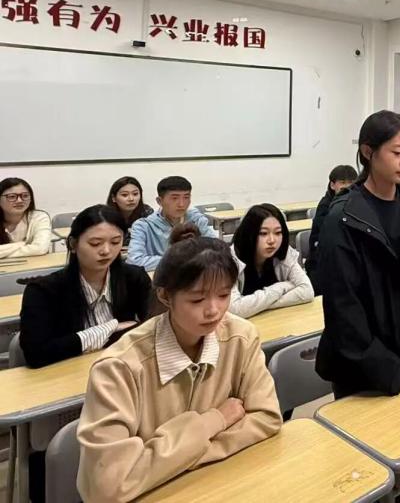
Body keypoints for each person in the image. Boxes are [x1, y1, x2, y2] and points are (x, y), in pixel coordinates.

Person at [77, 228, 282, 502]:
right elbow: (108, 487)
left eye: (223, 295)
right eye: (197, 299)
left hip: (217, 487)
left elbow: (267, 417)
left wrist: (172, 460)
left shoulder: (241, 337)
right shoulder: (118, 367)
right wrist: (215, 421)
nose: (214, 310)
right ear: (165, 296)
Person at [19, 205, 152, 502]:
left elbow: (151, 330)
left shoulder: (134, 278)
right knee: (60, 453)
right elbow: (37, 353)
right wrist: (110, 327)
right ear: (73, 243)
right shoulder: (44, 290)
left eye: (115, 242)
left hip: (122, 386)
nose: (106, 251)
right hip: (61, 393)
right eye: (95, 243)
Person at [315, 110, 400, 399]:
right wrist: (388, 370)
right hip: (363, 369)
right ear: (368, 152)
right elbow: (343, 308)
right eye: (397, 152)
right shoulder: (343, 218)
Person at [228, 203, 314, 318]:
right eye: (263, 233)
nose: (272, 240)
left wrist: (257, 306)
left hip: (276, 321)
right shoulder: (231, 259)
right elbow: (234, 309)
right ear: (249, 234)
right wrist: (281, 287)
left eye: (278, 233)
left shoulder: (284, 252)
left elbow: (307, 291)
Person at [127, 176, 217, 271]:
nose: (181, 204)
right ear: (159, 201)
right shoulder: (143, 226)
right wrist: (178, 259)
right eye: (174, 198)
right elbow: (134, 261)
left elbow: (217, 249)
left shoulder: (196, 219)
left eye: (186, 197)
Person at [307, 164, 357, 294]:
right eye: (342, 182)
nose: (347, 186)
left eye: (351, 183)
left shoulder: (357, 203)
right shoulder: (325, 206)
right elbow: (327, 240)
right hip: (322, 262)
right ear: (332, 185)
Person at [0, 177, 51, 258]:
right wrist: (21, 244)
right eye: (12, 196)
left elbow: (40, 249)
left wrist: (3, 253)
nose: (20, 200)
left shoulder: (39, 218)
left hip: (35, 264)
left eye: (25, 196)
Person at [107, 176, 154, 245]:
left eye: (135, 194)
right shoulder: (106, 215)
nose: (131, 199)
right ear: (113, 198)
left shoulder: (146, 212)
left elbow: (153, 240)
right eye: (124, 195)